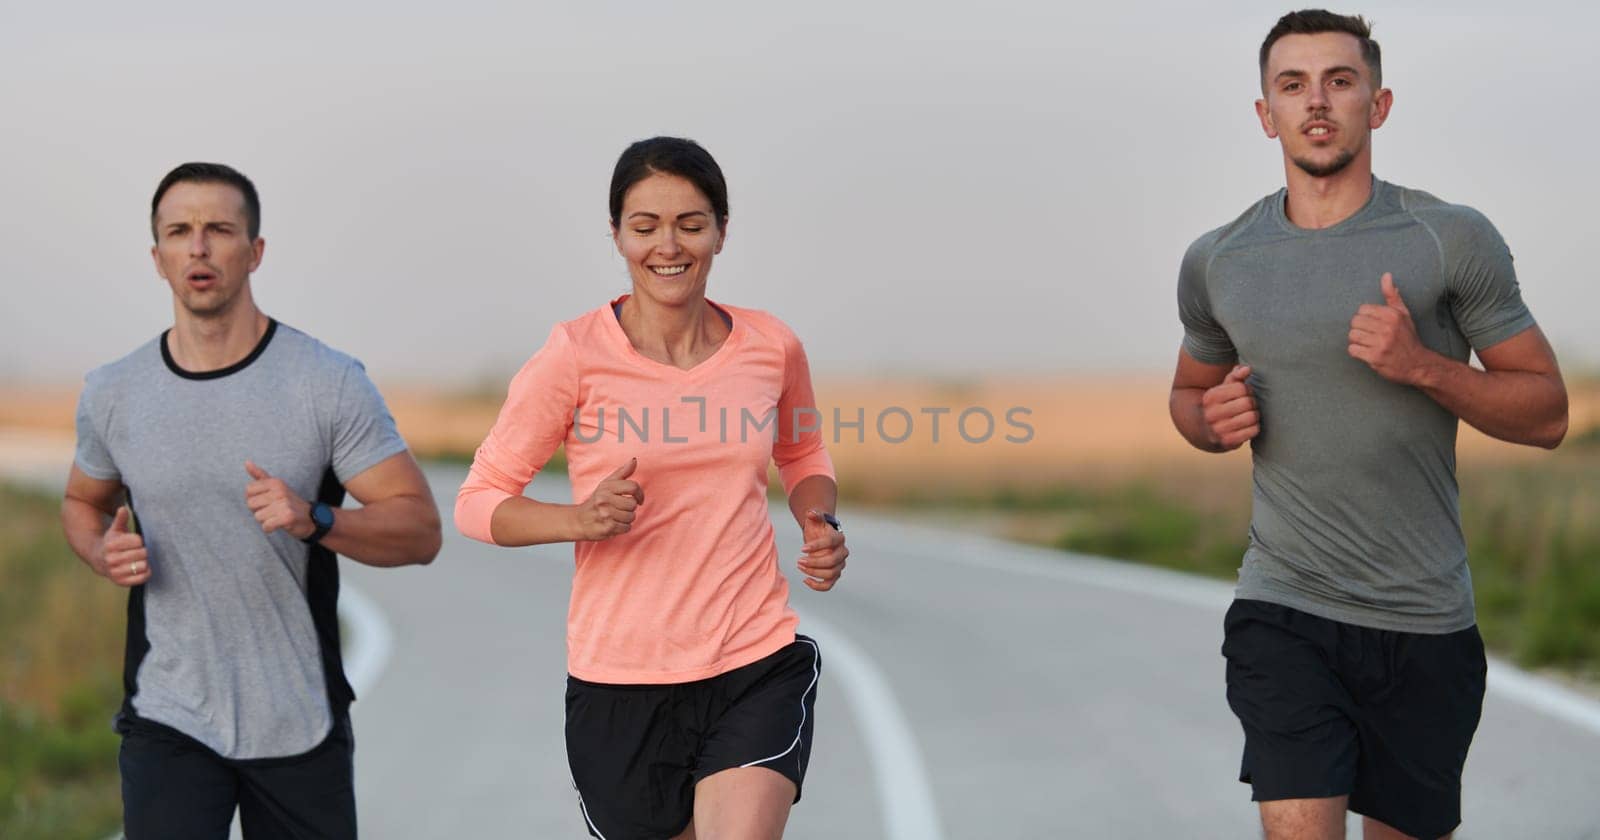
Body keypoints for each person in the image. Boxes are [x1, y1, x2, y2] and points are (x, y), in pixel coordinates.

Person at [1169, 10, 1569, 840]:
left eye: (1339, 82)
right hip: (1285, 605)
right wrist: (1210, 423)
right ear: (1264, 114)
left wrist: (1423, 365)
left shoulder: (1449, 239)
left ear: (1377, 105)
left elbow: (1548, 414)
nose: (1317, 102)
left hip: (1424, 622)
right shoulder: (1219, 259)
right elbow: (1187, 395)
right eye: (1292, 85)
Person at [455, 136, 847, 840]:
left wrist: (820, 519)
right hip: (620, 683)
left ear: (722, 232)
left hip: (751, 658)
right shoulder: (573, 356)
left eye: (691, 224)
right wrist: (579, 519)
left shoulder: (770, 345)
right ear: (616, 236)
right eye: (645, 226)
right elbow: (478, 501)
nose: (669, 246)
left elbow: (802, 449)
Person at [61, 162, 442, 838]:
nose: (199, 248)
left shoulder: (325, 383)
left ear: (255, 250)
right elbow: (81, 501)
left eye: (219, 230)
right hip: (169, 713)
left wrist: (316, 518)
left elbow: (419, 531)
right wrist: (99, 549)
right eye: (180, 231)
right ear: (158, 258)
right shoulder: (114, 392)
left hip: (299, 718)